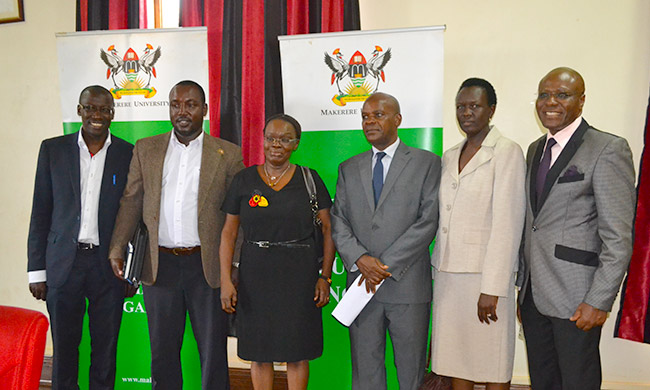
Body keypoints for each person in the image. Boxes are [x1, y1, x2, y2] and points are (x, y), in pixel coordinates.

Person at [108, 80, 244, 389]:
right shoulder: (147, 148)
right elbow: (131, 200)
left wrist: (233, 266)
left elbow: (239, 217)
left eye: (191, 105)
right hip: (160, 266)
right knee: (162, 352)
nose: (182, 112)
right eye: (176, 105)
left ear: (205, 110)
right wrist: (117, 248)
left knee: (212, 352)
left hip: (206, 266)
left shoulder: (228, 154)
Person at [517, 67, 636, 390]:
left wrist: (599, 300)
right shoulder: (534, 150)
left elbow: (619, 237)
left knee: (577, 382)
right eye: (544, 95)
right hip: (534, 296)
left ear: (581, 102)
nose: (550, 102)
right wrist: (521, 285)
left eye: (562, 95)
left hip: (577, 297)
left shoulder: (607, 149)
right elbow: (535, 223)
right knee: (543, 381)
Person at [331, 92, 440, 390]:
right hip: (361, 288)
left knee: (410, 372)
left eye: (378, 115)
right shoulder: (348, 167)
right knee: (365, 373)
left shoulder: (427, 163)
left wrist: (383, 266)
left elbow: (428, 221)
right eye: (365, 116)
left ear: (398, 120)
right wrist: (361, 259)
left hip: (406, 287)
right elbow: (338, 220)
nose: (369, 121)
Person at [27, 85, 134, 390]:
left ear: (112, 114)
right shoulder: (53, 150)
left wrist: (132, 271)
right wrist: (37, 270)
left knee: (105, 350)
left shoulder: (128, 153)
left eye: (103, 110)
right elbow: (40, 212)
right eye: (90, 108)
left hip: (108, 267)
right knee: (64, 350)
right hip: (63, 265)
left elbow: (136, 215)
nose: (96, 116)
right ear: (79, 110)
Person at [219, 114, 335, 390]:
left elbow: (329, 230)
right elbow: (228, 233)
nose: (276, 144)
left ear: (296, 144)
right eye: (271, 138)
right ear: (263, 140)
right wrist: (225, 279)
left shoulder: (310, 179)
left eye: (285, 139)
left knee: (297, 353)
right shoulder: (244, 180)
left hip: (300, 276)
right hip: (255, 276)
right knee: (260, 353)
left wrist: (325, 277)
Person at [430, 78, 525, 390]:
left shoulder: (506, 151)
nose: (466, 112)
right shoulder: (449, 154)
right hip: (448, 274)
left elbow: (507, 222)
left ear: (491, 110)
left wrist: (493, 287)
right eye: (460, 107)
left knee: (491, 361)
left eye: (474, 106)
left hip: (484, 277)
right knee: (457, 358)